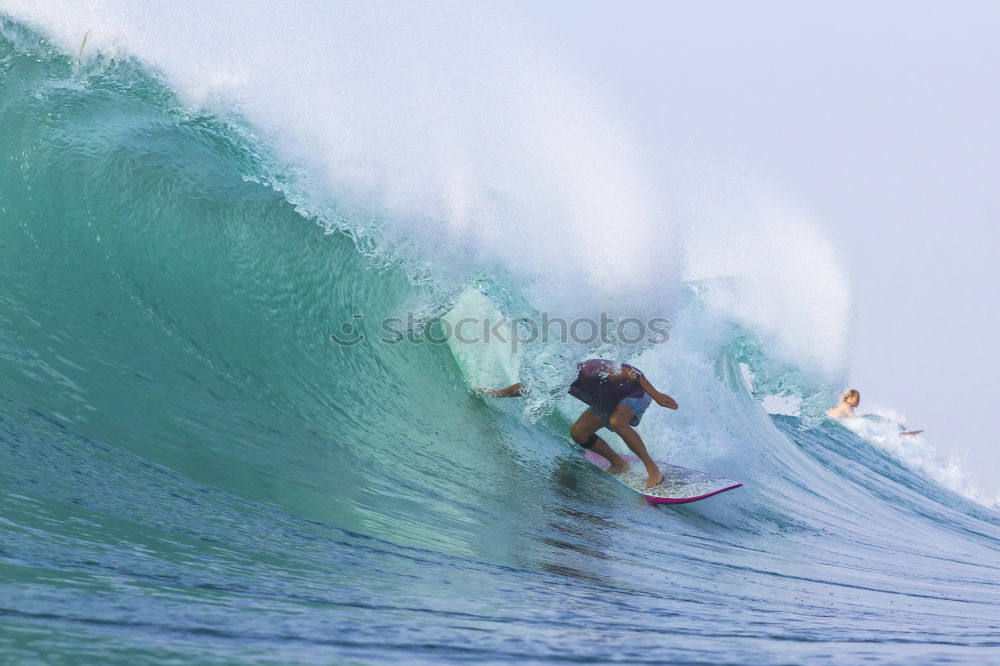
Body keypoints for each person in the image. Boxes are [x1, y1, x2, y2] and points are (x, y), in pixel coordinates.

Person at [476, 359, 679, 488]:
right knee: (579, 432)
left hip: (636, 392)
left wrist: (657, 395)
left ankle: (652, 468)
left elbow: (633, 374)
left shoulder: (590, 371)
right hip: (608, 400)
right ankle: (619, 463)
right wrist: (496, 394)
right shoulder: (555, 381)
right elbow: (524, 388)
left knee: (617, 421)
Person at [827, 388, 923, 436]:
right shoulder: (847, 406)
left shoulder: (842, 404)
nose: (859, 401)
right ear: (851, 398)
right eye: (857, 399)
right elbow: (855, 420)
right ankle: (897, 434)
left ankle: (897, 434)